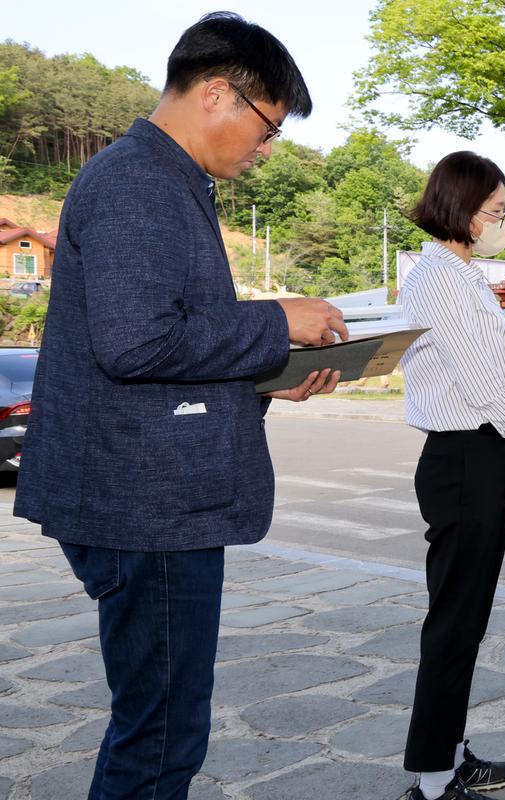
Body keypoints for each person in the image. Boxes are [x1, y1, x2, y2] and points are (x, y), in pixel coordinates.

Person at [13, 12, 348, 798]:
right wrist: (276, 321)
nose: (266, 153)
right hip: (146, 506)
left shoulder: (162, 179)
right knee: (160, 739)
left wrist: (268, 372)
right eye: (267, 131)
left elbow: (162, 345)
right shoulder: (138, 180)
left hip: (147, 494)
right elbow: (133, 344)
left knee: (161, 725)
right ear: (218, 94)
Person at [398, 151, 505, 800]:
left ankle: (451, 752)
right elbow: (481, 382)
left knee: (467, 620)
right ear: (462, 210)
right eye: (495, 211)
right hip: (464, 456)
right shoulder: (438, 276)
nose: (502, 221)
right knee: (455, 621)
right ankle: (434, 781)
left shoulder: (463, 275)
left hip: (480, 457)